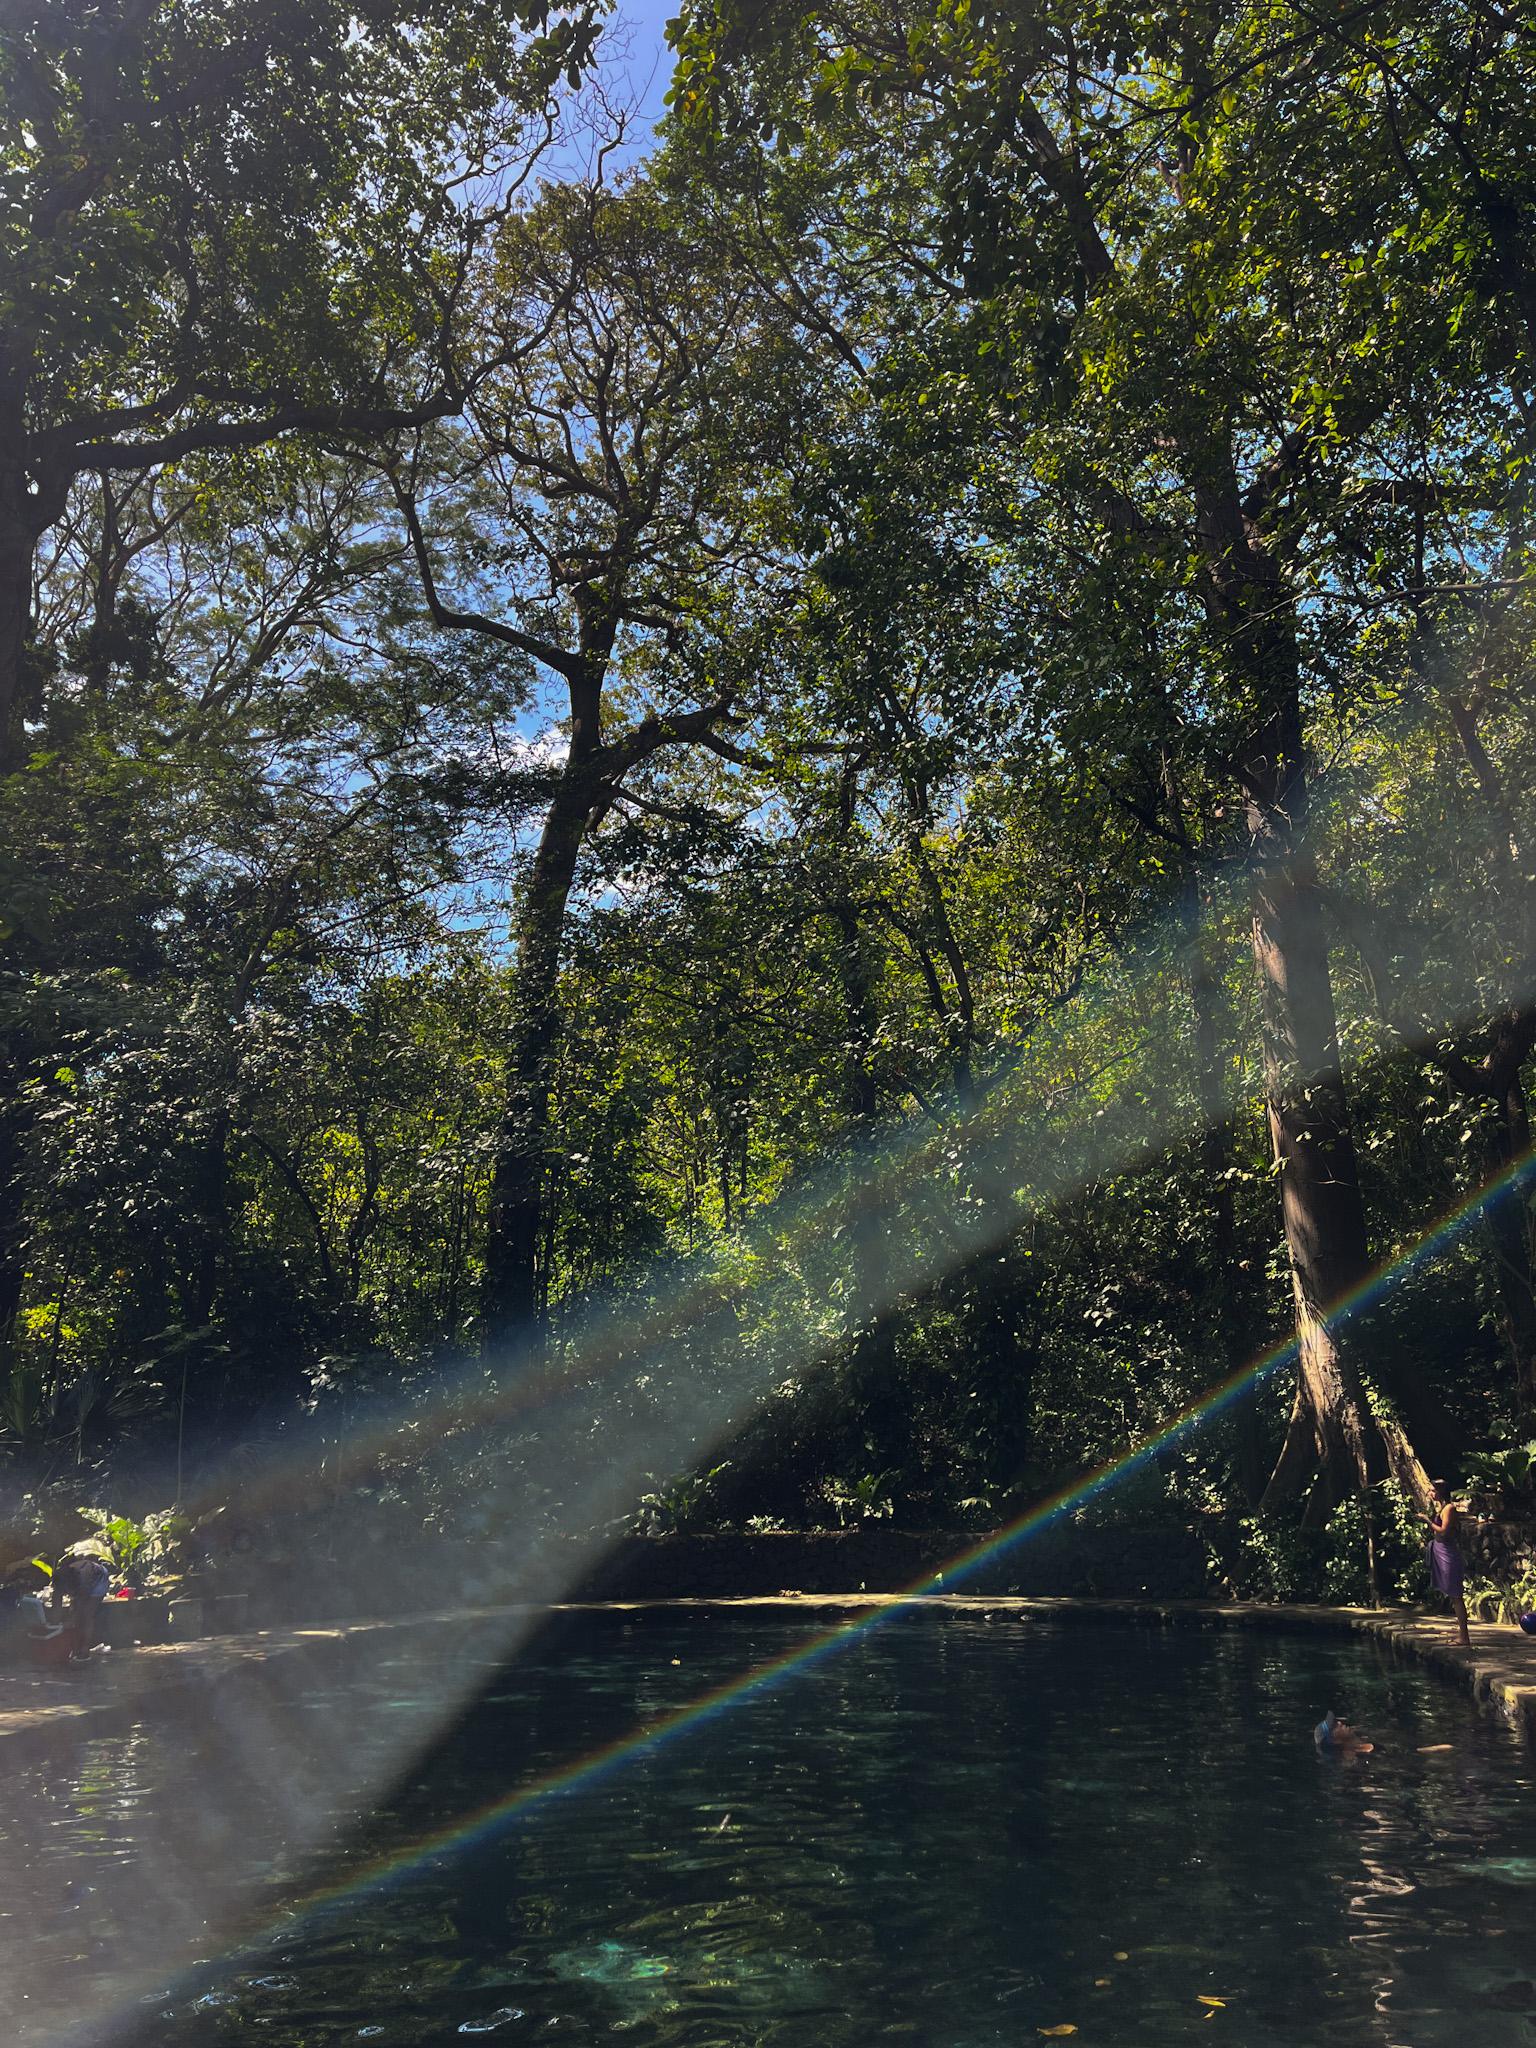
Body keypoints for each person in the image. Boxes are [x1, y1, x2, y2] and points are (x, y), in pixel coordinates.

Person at [1419, 1480, 1471, 1648]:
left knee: (1456, 1596)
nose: (1431, 1493)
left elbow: (1443, 1531)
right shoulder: (1442, 1508)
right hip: (1441, 1550)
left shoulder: (1449, 1509)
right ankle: (1462, 1635)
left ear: (1441, 1491)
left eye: (1433, 1490)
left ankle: (1464, 1637)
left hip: (1448, 1553)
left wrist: (1427, 1520)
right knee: (1453, 1596)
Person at [56, 1551, 112, 1662]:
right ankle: (75, 1647)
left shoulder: (83, 1573)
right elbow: (56, 1603)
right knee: (75, 1612)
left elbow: (83, 1598)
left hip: (99, 1579)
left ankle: (85, 1648)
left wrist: (72, 1618)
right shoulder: (59, 1579)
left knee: (86, 1613)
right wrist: (55, 1623)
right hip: (80, 1585)